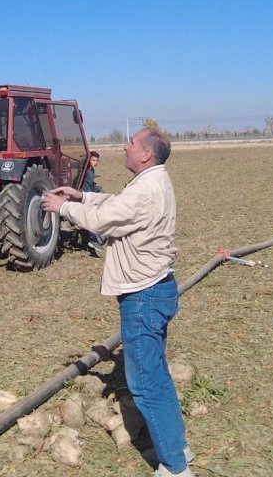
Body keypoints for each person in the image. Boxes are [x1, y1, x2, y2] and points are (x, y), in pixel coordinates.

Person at [41, 128, 193, 477]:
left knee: (145, 383)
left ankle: (175, 468)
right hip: (157, 289)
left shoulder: (147, 189)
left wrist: (63, 207)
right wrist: (82, 196)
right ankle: (178, 446)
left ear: (146, 155)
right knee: (157, 375)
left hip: (143, 296)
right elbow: (116, 206)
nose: (125, 146)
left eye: (132, 143)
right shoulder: (151, 182)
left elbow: (102, 220)